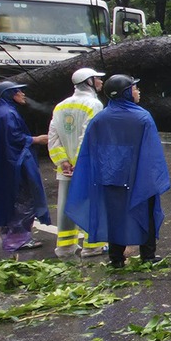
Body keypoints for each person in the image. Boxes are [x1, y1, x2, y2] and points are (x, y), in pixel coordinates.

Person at [67, 75, 171, 269]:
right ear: (125, 92)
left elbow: (90, 151)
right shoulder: (142, 117)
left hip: (110, 177)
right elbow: (151, 153)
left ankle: (116, 259)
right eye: (134, 88)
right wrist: (154, 179)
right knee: (145, 214)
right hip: (138, 176)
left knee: (115, 217)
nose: (138, 92)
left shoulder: (100, 118)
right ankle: (148, 256)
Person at [0, 80, 51, 254]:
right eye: (18, 91)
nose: (23, 94)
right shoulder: (8, 114)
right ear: (9, 94)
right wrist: (36, 139)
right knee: (23, 200)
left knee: (10, 199)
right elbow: (14, 139)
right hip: (15, 164)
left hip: (4, 164)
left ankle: (10, 236)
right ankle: (18, 239)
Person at [48, 68, 107, 258]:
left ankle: (65, 247)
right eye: (98, 79)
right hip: (87, 165)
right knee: (92, 204)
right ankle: (93, 246)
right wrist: (79, 164)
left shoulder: (60, 106)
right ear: (89, 82)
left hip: (65, 169)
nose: (101, 82)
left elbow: (53, 137)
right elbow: (88, 136)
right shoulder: (94, 104)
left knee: (66, 205)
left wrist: (63, 162)